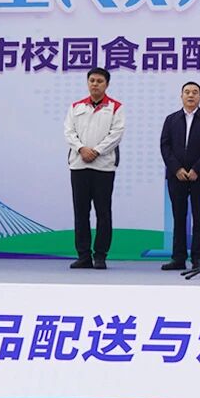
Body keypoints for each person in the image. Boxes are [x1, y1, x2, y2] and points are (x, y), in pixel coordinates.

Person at [63, 68, 125, 270]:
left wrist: (96, 151)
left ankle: (100, 256)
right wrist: (82, 148)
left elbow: (116, 134)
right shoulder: (76, 106)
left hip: (103, 167)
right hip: (79, 165)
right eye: (92, 80)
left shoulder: (115, 107)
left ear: (107, 84)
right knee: (81, 213)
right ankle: (83, 255)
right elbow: (69, 132)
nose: (95, 84)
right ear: (87, 83)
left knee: (103, 213)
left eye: (99, 81)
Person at [159, 81, 200, 271]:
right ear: (181, 96)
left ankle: (198, 258)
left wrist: (197, 170)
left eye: (195, 92)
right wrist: (176, 168)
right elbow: (165, 146)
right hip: (176, 176)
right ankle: (178, 258)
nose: (190, 95)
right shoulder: (171, 119)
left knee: (199, 217)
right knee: (179, 217)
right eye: (187, 92)